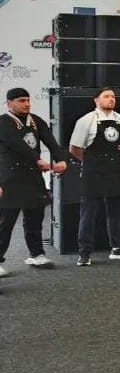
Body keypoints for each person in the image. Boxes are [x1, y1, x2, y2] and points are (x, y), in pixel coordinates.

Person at [0, 87, 67, 276]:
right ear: (9, 103)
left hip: (33, 178)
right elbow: (17, 144)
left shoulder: (36, 121)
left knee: (35, 218)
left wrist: (61, 159)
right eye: (21, 101)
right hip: (10, 178)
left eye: (28, 100)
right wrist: (37, 159)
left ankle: (36, 254)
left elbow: (51, 141)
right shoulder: (3, 122)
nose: (27, 104)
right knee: (5, 222)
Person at [69, 87, 120, 265]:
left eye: (113, 96)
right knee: (88, 213)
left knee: (115, 212)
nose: (111, 99)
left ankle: (117, 248)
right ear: (96, 100)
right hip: (93, 172)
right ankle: (84, 253)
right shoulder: (87, 120)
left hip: (115, 171)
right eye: (106, 96)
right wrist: (91, 162)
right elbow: (74, 148)